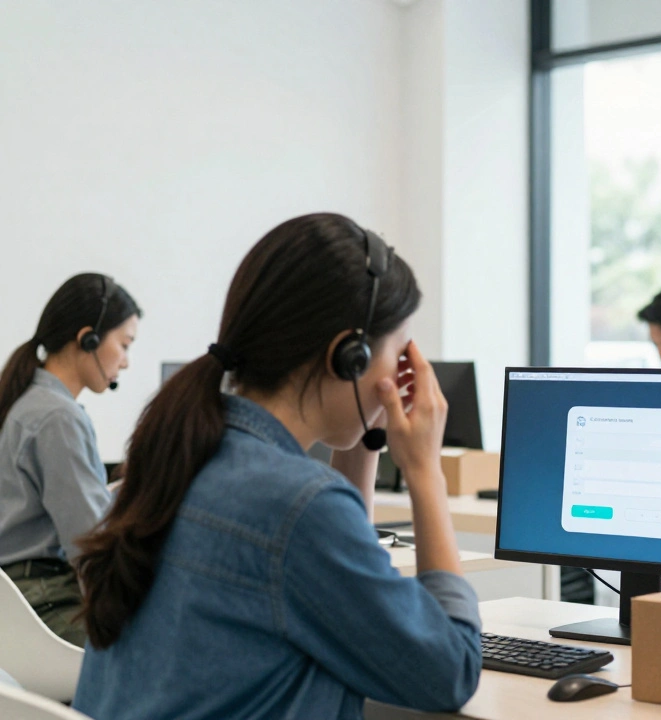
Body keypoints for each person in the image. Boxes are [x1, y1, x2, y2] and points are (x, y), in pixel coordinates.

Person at [73, 214, 481, 718]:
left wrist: (362, 442)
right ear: (348, 357)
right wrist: (425, 472)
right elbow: (450, 670)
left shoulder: (181, 454)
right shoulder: (297, 504)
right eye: (397, 356)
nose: (398, 381)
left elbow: (341, 595)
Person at [0, 273, 141, 646]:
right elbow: (88, 540)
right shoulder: (58, 417)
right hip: (45, 597)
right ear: (88, 339)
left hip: (18, 599)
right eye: (124, 344)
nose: (126, 362)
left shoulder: (25, 400)